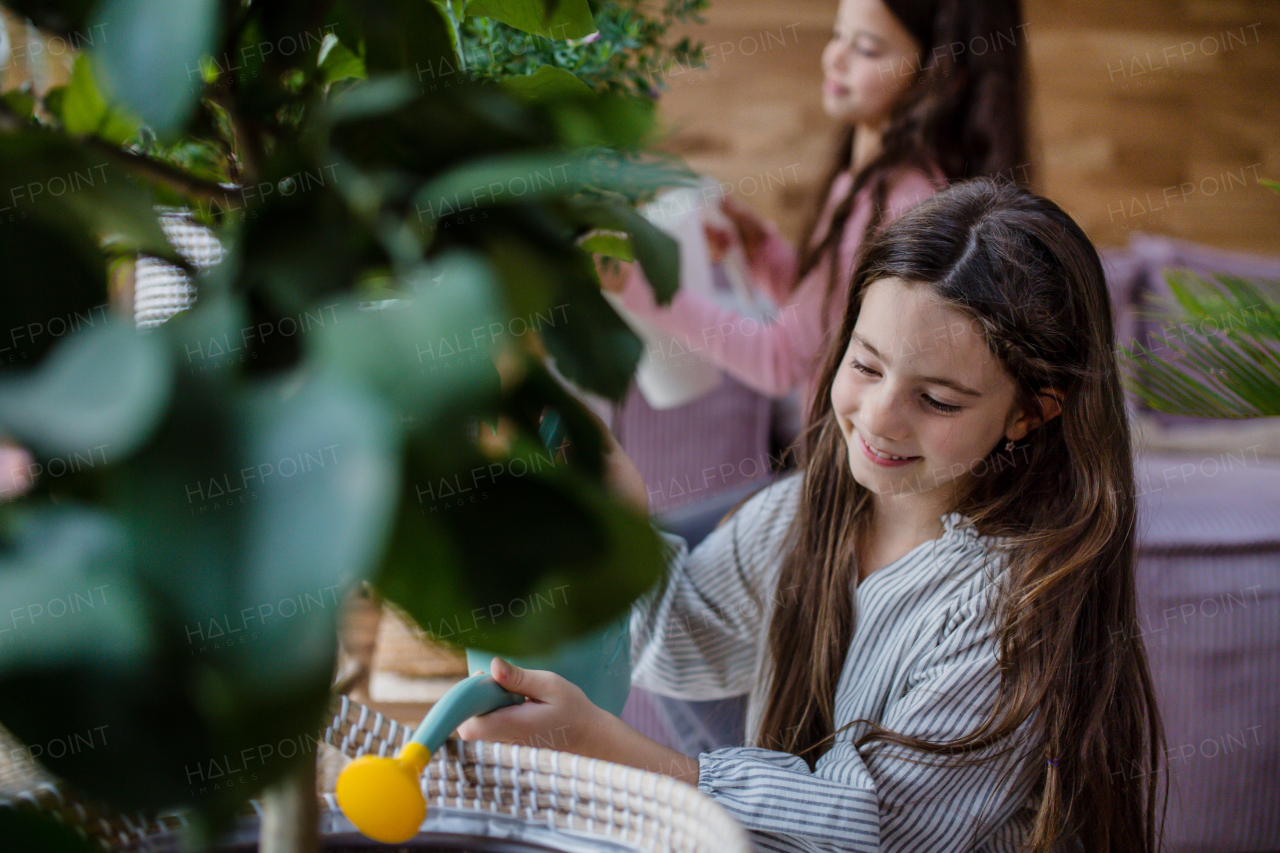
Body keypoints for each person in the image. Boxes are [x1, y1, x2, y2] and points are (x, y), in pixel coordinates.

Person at [459, 179, 1167, 852]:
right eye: (865, 365)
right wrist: (612, 504)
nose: (879, 418)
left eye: (939, 400)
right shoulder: (808, 510)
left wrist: (613, 752)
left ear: (1031, 411)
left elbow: (872, 831)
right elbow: (681, 638)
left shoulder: (1015, 612)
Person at [598, 0, 1032, 422]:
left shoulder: (901, 204)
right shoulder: (866, 181)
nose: (834, 57)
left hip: (847, 479)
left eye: (866, 49)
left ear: (942, 76)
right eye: (838, 34)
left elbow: (781, 361)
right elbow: (835, 324)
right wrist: (762, 253)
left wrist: (648, 286)